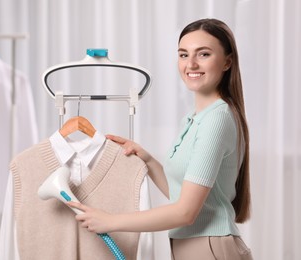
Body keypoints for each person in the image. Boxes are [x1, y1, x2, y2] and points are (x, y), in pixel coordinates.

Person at [68, 18, 253, 260]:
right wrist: (146, 158)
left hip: (209, 248)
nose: (191, 64)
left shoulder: (216, 120)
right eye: (183, 55)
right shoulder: (194, 119)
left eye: (204, 54)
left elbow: (186, 212)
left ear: (227, 61)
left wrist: (110, 221)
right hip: (195, 247)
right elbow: (181, 194)